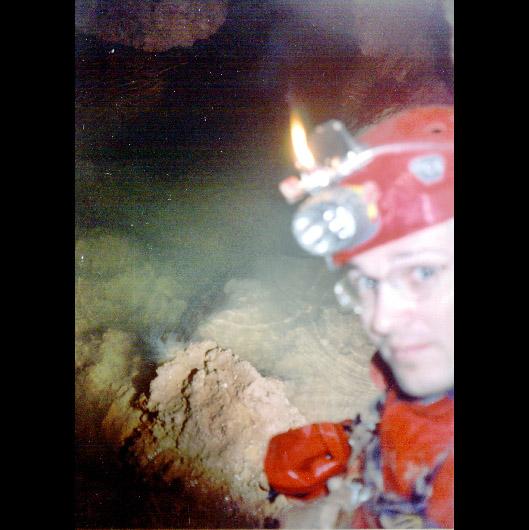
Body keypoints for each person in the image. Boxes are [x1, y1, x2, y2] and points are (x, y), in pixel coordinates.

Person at [264, 105, 454, 529]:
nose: (381, 320)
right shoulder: (430, 364)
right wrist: (357, 442)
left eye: (422, 273)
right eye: (366, 282)